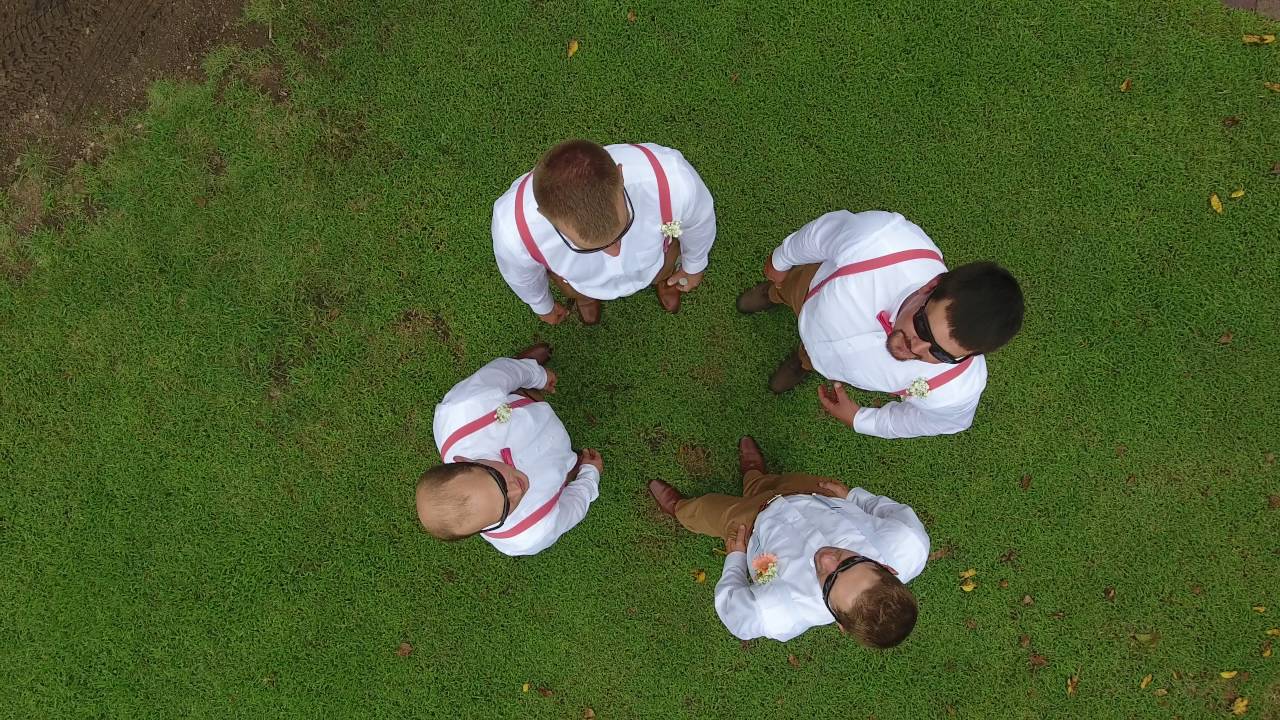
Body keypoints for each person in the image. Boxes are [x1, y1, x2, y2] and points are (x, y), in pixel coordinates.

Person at [737, 210, 1024, 439]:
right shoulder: (881, 241)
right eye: (923, 327)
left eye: (941, 354)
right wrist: (781, 260)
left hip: (837, 362)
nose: (916, 348)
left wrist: (863, 420)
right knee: (786, 287)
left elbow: (937, 421)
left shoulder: (956, 390)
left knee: (812, 358)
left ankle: (804, 362)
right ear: (931, 286)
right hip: (810, 291)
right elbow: (820, 236)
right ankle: (773, 293)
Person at [647, 437, 929, 645]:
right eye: (851, 560)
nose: (826, 559)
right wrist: (855, 498)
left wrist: (734, 557)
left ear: (839, 623)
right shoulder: (907, 543)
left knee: (706, 510)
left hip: (750, 525)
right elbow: (890, 512)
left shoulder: (782, 613)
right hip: (809, 495)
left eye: (829, 581)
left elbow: (733, 609)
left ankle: (681, 510)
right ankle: (755, 478)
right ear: (887, 567)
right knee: (772, 483)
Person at [492, 139, 717, 325]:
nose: (614, 252)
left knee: (663, 268)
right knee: (579, 290)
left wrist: (693, 266)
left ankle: (662, 279)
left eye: (622, 232)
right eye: (588, 248)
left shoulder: (674, 181)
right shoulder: (513, 233)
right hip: (579, 281)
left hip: (659, 259)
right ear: (546, 216)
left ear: (621, 176)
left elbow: (699, 223)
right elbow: (522, 277)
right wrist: (543, 306)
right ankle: (587, 297)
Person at [416, 343, 603, 556]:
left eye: (499, 480)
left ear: (462, 460)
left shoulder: (464, 410)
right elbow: (570, 510)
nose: (517, 490)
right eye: (505, 509)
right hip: (560, 465)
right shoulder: (525, 537)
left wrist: (537, 376)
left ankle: (528, 374)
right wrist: (588, 477)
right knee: (568, 474)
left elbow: (503, 372)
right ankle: (574, 465)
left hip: (525, 405)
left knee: (511, 380)